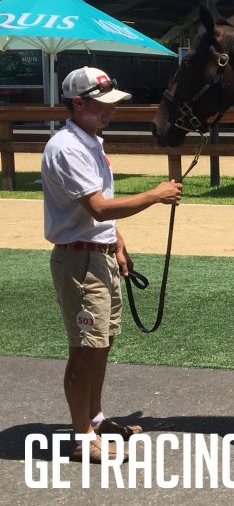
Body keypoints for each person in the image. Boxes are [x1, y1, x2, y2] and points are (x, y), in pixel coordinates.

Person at [41, 67, 183, 463]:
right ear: (78, 103)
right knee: (85, 349)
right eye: (102, 104)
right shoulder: (67, 147)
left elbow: (96, 207)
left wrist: (116, 243)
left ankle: (95, 419)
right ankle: (81, 438)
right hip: (79, 261)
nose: (111, 110)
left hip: (95, 255)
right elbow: (99, 207)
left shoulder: (88, 141)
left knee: (101, 344)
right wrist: (155, 194)